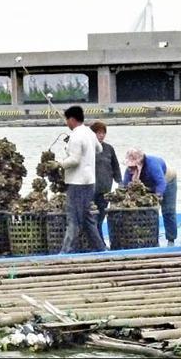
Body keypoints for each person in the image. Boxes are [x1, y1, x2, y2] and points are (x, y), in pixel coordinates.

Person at [53, 106, 107, 254]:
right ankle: (100, 249)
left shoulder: (76, 135)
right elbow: (99, 149)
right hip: (90, 181)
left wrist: (59, 164)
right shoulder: (89, 132)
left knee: (73, 219)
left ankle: (66, 251)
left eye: (67, 120)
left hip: (77, 183)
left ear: (71, 119)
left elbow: (75, 160)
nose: (66, 124)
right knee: (87, 217)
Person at [123, 148, 178, 247]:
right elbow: (125, 186)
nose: (131, 169)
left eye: (133, 166)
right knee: (149, 212)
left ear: (140, 162)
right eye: (130, 167)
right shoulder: (129, 170)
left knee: (168, 211)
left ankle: (171, 239)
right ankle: (151, 240)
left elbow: (161, 183)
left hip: (167, 180)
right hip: (148, 184)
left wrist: (157, 196)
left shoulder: (152, 165)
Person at [90, 121, 122, 240]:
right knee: (92, 217)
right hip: (91, 189)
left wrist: (120, 182)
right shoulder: (88, 148)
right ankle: (97, 242)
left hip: (105, 189)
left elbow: (115, 166)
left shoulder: (109, 149)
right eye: (98, 133)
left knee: (101, 217)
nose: (101, 135)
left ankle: (100, 241)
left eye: (103, 133)